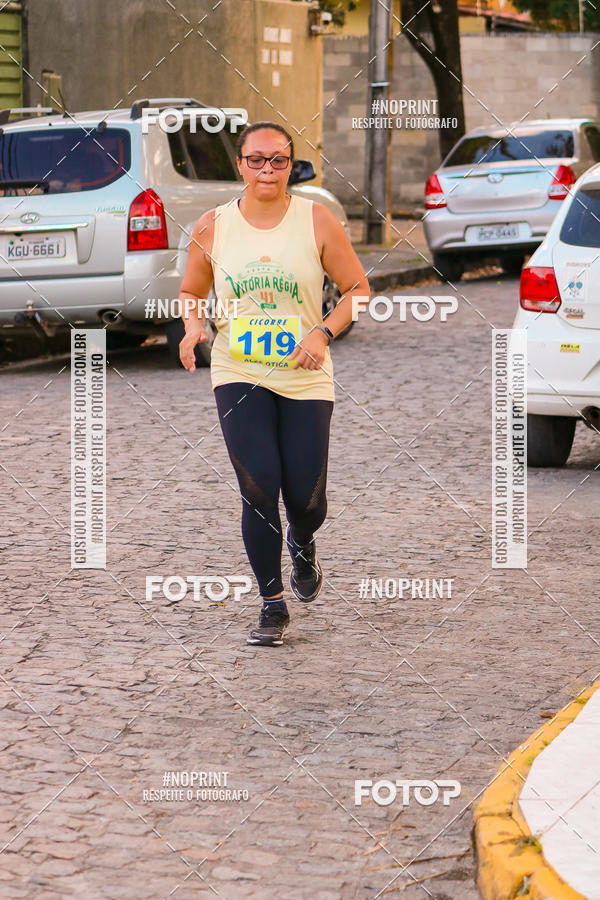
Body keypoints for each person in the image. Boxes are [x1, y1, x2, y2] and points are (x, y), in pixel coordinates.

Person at [178, 120, 370, 646]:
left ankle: (303, 543)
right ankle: (271, 604)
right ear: (240, 164)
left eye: (278, 160)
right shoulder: (212, 226)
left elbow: (357, 289)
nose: (267, 169)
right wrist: (194, 327)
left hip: (305, 375)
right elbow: (192, 290)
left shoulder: (318, 221)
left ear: (291, 166)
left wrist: (324, 332)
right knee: (258, 485)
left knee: (307, 499)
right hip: (238, 371)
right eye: (257, 159)